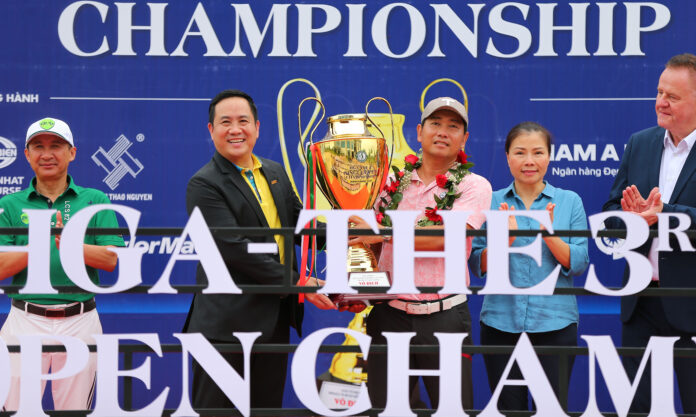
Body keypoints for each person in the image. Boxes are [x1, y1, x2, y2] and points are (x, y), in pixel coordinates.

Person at [182, 89, 333, 409]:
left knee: (265, 409)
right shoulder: (204, 184)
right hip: (225, 328)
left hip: (273, 322)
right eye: (225, 122)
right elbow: (234, 249)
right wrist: (299, 282)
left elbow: (300, 226)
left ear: (257, 127)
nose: (235, 130)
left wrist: (351, 237)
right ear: (211, 130)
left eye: (243, 121)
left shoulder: (274, 172)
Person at [350, 97, 492, 409]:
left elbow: (447, 239)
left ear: (464, 139)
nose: (442, 131)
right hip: (389, 316)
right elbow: (368, 242)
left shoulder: (474, 186)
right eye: (435, 123)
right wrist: (355, 279)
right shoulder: (389, 184)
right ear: (418, 131)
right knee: (385, 411)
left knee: (453, 412)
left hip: (445, 318)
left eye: (453, 126)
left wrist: (382, 232)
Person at [0, 117, 124, 411]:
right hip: (25, 319)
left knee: (74, 410)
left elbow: (111, 259)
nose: (47, 154)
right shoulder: (9, 204)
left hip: (80, 319)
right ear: (27, 154)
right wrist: (38, 241)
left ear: (72, 153)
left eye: (56, 145)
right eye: (38, 147)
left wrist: (68, 243)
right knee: (15, 410)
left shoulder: (95, 199)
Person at [469, 122, 589, 412]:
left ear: (549, 156)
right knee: (509, 409)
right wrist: (505, 240)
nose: (529, 161)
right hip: (500, 323)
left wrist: (548, 234)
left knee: (552, 409)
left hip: (555, 323)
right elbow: (476, 263)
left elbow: (579, 262)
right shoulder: (491, 201)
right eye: (520, 152)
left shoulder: (569, 201)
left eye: (538, 152)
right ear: (507, 156)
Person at [602, 53, 696, 413]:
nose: (660, 102)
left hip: (691, 302)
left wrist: (664, 214)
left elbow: (667, 214)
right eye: (659, 92)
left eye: (672, 96)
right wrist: (630, 220)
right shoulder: (640, 143)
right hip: (640, 304)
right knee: (637, 408)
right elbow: (611, 213)